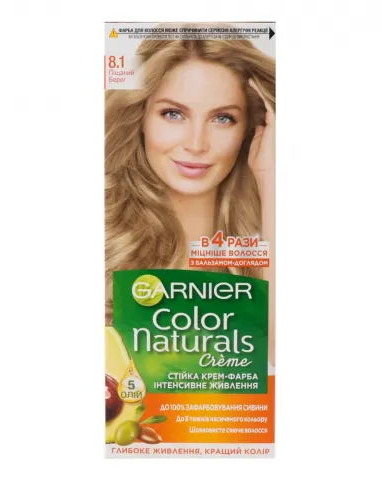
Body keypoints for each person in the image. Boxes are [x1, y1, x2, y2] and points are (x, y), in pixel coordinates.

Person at [105, 38, 276, 365]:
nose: (196, 144)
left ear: (252, 129)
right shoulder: (107, 248)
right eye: (173, 114)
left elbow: (278, 354)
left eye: (222, 118)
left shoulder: (262, 257)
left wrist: (270, 178)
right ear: (140, 117)